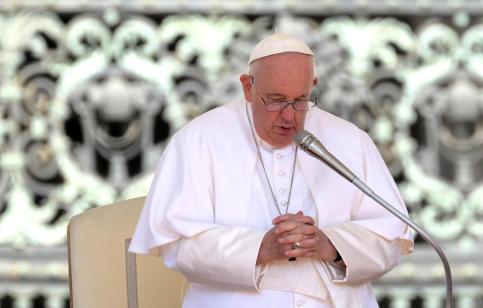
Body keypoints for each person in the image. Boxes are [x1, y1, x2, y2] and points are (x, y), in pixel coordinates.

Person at [129, 33, 413, 308]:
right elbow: (175, 245)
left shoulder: (350, 141)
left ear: (313, 85)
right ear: (248, 88)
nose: (289, 116)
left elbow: (391, 240)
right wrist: (260, 248)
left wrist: (330, 245)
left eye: (300, 100)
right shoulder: (197, 140)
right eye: (276, 99)